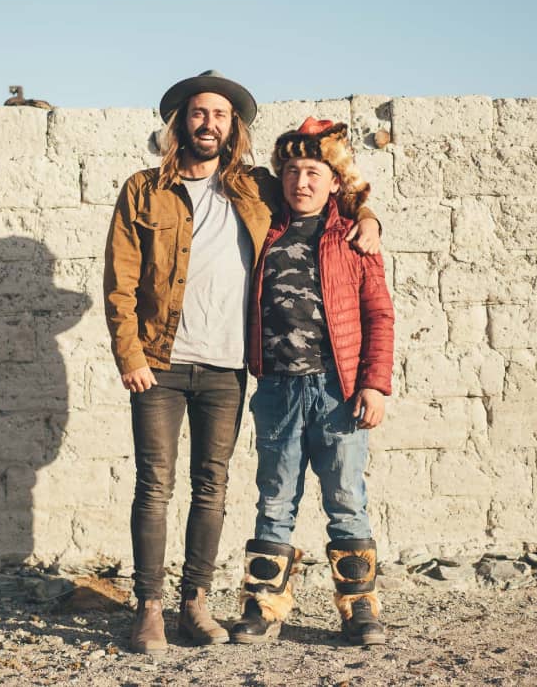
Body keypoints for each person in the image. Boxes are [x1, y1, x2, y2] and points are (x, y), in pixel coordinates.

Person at [103, 72, 382, 654]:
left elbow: (334, 186)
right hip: (163, 363)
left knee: (220, 487)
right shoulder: (143, 188)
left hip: (234, 369)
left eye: (221, 115)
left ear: (235, 128)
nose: (209, 124)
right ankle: (152, 610)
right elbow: (120, 281)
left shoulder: (255, 186)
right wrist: (129, 353)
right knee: (158, 486)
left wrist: (369, 219)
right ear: (180, 121)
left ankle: (199, 605)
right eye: (199, 113)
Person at [230, 117, 394, 647]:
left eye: (314, 172)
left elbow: (379, 316)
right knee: (274, 499)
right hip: (277, 388)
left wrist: (374, 384)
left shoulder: (351, 237)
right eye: (294, 171)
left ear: (334, 181)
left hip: (338, 390)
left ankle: (360, 609)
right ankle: (262, 607)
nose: (302, 181)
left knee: (346, 497)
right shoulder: (263, 227)